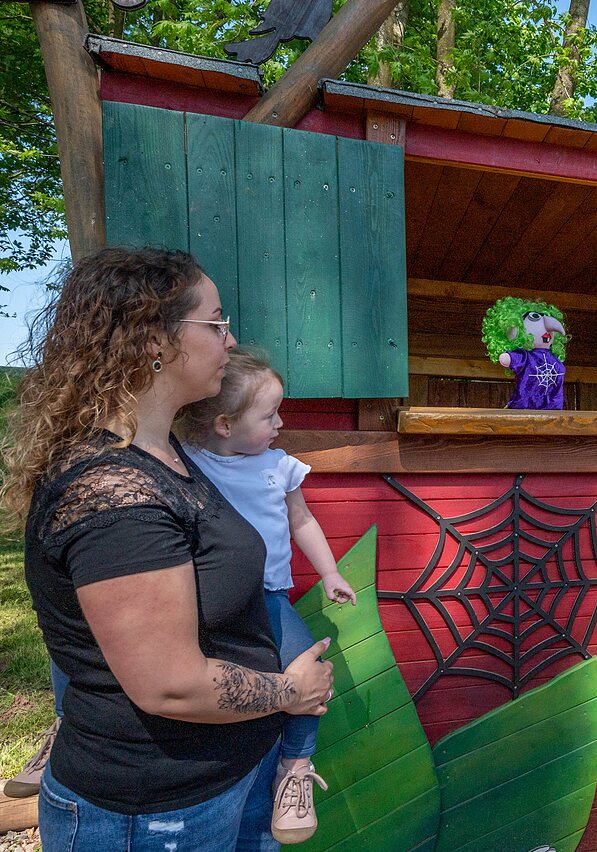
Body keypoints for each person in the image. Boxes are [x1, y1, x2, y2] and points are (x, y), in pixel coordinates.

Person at [0, 247, 333, 851]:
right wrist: (293, 692)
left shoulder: (163, 453)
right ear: (156, 339)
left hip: (220, 780)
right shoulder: (113, 497)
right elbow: (171, 685)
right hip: (155, 813)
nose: (230, 340)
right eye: (216, 322)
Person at [179, 349, 356, 844]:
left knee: (308, 669)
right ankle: (67, 725)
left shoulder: (279, 466)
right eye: (270, 415)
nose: (281, 423)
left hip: (270, 595)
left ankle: (295, 769)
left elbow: (302, 520)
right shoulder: (185, 461)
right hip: (207, 597)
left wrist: (329, 572)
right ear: (223, 424)